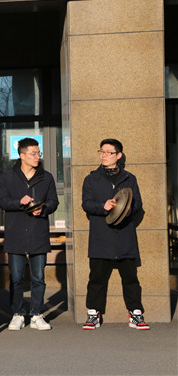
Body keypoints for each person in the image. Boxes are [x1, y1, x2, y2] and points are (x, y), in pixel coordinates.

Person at [81, 139, 149, 330]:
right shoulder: (91, 179)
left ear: (118, 155)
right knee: (96, 279)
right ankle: (93, 314)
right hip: (100, 236)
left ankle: (135, 314)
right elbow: (86, 204)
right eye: (101, 151)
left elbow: (138, 203)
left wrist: (128, 210)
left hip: (125, 236)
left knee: (131, 279)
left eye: (108, 152)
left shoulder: (129, 178)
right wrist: (103, 206)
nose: (103, 155)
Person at [0, 137, 58, 331]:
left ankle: (37, 314)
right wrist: (19, 202)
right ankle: (17, 314)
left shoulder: (46, 177)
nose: (37, 157)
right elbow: (2, 201)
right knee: (16, 278)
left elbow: (54, 201)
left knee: (38, 278)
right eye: (33, 153)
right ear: (22, 155)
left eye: (38, 153)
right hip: (15, 233)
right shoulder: (8, 177)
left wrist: (44, 209)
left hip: (38, 233)